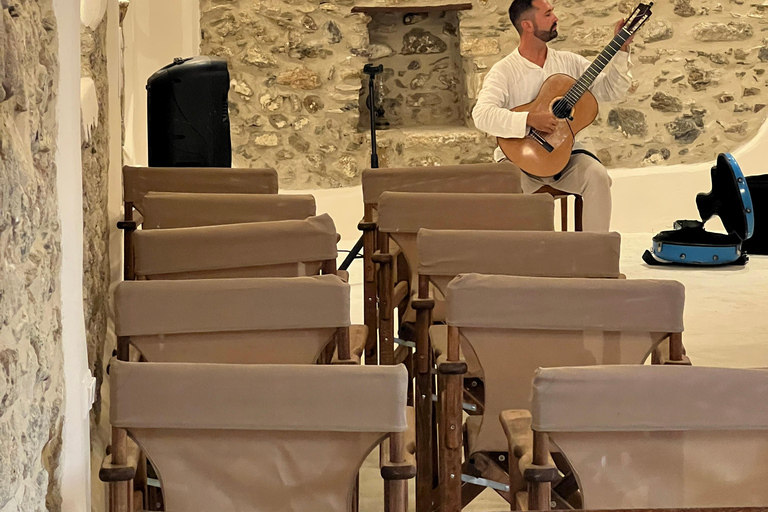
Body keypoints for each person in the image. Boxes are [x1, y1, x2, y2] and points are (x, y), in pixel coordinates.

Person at [472, 0, 635, 231]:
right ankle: (521, 257)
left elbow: (610, 90)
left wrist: (622, 49)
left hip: (569, 157)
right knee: (504, 184)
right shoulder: (504, 71)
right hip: (520, 160)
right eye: (548, 14)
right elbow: (482, 115)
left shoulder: (569, 62)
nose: (556, 17)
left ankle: (595, 256)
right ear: (527, 25)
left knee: (597, 176)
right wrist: (528, 119)